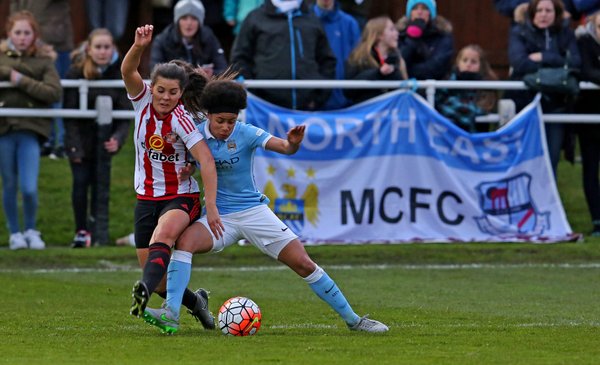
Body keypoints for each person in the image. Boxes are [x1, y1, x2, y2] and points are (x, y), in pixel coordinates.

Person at [142, 74, 389, 334]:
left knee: (304, 263)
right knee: (185, 243)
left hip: (254, 213)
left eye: (232, 121)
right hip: (220, 218)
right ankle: (171, 314)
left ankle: (354, 320)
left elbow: (282, 146)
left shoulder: (247, 133)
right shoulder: (196, 135)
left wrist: (292, 144)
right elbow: (190, 162)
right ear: (208, 115)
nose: (227, 126)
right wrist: (188, 171)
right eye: (220, 121)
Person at [121, 24, 224, 329]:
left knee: (163, 236)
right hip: (146, 198)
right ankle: (197, 303)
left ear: (181, 94)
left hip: (181, 197)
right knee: (159, 282)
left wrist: (211, 203)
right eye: (161, 90)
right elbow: (127, 70)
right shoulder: (140, 102)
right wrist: (139, 46)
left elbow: (206, 158)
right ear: (151, 87)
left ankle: (145, 294)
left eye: (173, 92)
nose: (165, 97)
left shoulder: (183, 120)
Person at [62, 29, 131, 248]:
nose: (102, 51)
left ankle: (98, 231)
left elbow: (125, 114)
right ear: (89, 49)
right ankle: (81, 230)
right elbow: (68, 115)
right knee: (80, 184)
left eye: (106, 47)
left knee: (101, 186)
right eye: (98, 47)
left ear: (113, 49)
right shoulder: (76, 72)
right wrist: (74, 147)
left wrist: (118, 139)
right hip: (81, 141)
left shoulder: (122, 72)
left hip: (104, 141)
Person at [0, 11, 62, 250]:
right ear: (9, 34)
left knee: (28, 187)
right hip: (4, 130)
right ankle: (14, 232)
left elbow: (53, 92)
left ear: (35, 35)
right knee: (9, 184)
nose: (22, 37)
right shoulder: (2, 58)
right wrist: (9, 73)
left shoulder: (45, 60)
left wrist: (19, 80)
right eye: (18, 32)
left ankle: (31, 230)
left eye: (27, 32)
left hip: (30, 131)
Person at [506, 0, 581, 178]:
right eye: (539, 10)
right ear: (532, 13)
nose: (543, 14)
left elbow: (575, 63)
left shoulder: (566, 34)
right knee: (522, 159)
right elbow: (519, 63)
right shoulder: (519, 32)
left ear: (556, 14)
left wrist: (544, 57)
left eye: (548, 10)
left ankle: (547, 204)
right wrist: (557, 67)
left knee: (550, 160)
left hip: (556, 105)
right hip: (525, 105)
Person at [230, 0, 337, 111]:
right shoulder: (255, 17)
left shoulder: (311, 18)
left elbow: (327, 60)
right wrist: (254, 95)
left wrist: (319, 98)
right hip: (265, 108)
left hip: (307, 108)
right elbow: (240, 58)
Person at [10, 0, 74, 159]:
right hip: (29, 43)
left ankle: (62, 142)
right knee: (40, 93)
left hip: (56, 43)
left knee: (58, 94)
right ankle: (48, 140)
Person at [150, 0, 227, 78]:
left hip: (201, 86)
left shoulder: (209, 37)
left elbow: (223, 69)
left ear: (200, 22)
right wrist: (178, 74)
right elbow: (154, 70)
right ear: (177, 21)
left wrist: (210, 73)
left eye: (194, 18)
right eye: (184, 18)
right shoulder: (162, 40)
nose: (189, 23)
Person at [575, 11, 600, 236]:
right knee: (591, 168)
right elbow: (587, 71)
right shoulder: (583, 41)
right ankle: (597, 221)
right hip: (588, 115)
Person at [435, 44, 499, 133]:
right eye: (464, 60)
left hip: (477, 136)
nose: (468, 64)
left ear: (482, 66)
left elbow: (485, 107)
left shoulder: (487, 86)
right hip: (448, 134)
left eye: (473, 62)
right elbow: (437, 104)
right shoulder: (447, 83)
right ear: (458, 63)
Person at [345, 16, 408, 104]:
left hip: (389, 112)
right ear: (379, 35)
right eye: (392, 29)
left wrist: (394, 73)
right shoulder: (359, 58)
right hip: (365, 112)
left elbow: (402, 90)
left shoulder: (397, 59)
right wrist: (378, 73)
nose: (397, 33)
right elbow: (348, 90)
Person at [313, 0, 361, 110]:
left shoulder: (350, 23)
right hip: (311, 102)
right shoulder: (304, 21)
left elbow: (357, 61)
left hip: (344, 103)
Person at [395, 0, 454, 82]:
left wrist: (408, 71)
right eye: (415, 8)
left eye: (424, 8)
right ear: (410, 13)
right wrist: (412, 39)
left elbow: (437, 66)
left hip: (436, 89)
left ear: (430, 13)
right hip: (404, 88)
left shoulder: (442, 35)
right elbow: (398, 62)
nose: (419, 12)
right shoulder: (399, 34)